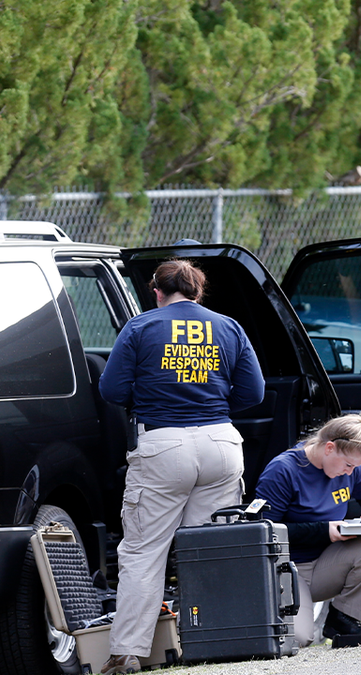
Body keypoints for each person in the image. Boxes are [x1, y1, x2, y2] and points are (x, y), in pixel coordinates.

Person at [98, 259, 265, 674]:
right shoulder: (228, 327)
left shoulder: (140, 327)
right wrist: (215, 404)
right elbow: (255, 391)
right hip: (221, 442)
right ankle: (219, 643)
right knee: (211, 550)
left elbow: (112, 388)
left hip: (161, 445)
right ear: (198, 291)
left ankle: (127, 654)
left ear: (156, 291)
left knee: (143, 552)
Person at [254, 405, 361, 647]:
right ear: (329, 448)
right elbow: (263, 532)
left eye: (355, 467)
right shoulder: (284, 470)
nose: (349, 472)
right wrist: (323, 530)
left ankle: (344, 619)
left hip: (325, 565)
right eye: (348, 465)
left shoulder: (352, 468)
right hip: (287, 568)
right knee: (296, 639)